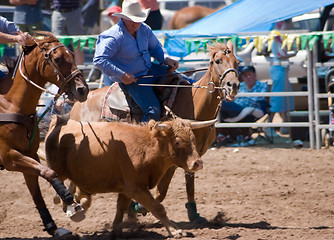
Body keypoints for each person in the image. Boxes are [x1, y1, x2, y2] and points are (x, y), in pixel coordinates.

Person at [93, 0, 179, 122]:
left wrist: (166, 59)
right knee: (152, 111)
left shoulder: (144, 29)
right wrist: (122, 75)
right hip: (133, 80)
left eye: (138, 20)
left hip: (150, 70)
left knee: (182, 80)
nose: (136, 24)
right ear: (124, 18)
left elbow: (155, 47)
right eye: (132, 20)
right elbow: (99, 60)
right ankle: (145, 138)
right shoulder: (114, 36)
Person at [217, 66, 268, 145]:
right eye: (244, 76)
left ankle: (222, 134)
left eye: (249, 75)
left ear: (255, 75)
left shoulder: (262, 85)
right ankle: (220, 134)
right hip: (237, 108)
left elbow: (258, 100)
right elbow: (234, 97)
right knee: (220, 104)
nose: (247, 78)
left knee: (223, 106)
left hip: (251, 109)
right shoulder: (241, 85)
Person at [268, 19, 295, 135]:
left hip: (282, 69)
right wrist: (294, 53)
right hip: (278, 68)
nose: (291, 25)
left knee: (284, 98)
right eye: (289, 22)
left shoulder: (282, 37)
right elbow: (280, 55)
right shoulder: (277, 37)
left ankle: (284, 125)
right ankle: (268, 125)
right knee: (277, 98)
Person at [51, 0, 86, 65]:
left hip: (74, 11)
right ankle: (60, 69)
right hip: (57, 11)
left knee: (77, 43)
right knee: (57, 44)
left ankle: (80, 70)